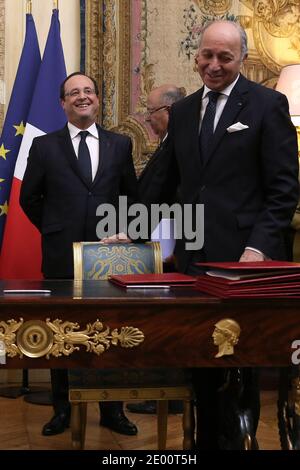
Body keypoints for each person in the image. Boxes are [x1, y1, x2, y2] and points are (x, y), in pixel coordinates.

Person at [159, 20, 299, 448]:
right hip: (193, 262)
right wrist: (131, 229)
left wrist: (257, 249)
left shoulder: (266, 104)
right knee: (199, 363)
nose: (214, 65)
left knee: (240, 367)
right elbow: (166, 184)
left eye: (225, 57)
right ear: (196, 55)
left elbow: (283, 191)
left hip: (244, 265)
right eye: (207, 55)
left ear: (241, 59)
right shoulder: (181, 112)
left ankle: (242, 441)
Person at [20, 72, 138, 437]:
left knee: (112, 332)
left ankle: (112, 410)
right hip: (60, 258)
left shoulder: (120, 145)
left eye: (88, 91)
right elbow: (29, 199)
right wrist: (56, 229)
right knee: (59, 333)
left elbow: (130, 197)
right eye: (74, 93)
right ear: (63, 103)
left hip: (108, 257)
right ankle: (62, 410)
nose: (82, 97)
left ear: (98, 98)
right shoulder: (44, 146)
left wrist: (124, 232)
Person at [126, 84, 186, 416]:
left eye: (151, 112)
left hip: (169, 248)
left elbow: (170, 202)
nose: (148, 120)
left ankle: (170, 392)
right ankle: (162, 389)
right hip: (154, 245)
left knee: (168, 323)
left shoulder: (178, 146)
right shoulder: (166, 144)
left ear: (170, 111)